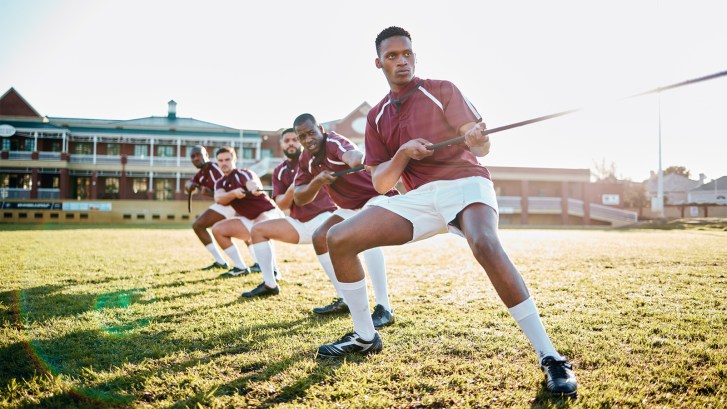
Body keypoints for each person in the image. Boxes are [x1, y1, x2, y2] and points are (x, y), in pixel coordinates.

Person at [316, 26, 577, 397]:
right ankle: (364, 336)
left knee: (484, 244)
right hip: (418, 197)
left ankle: (550, 357)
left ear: (415, 56)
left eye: (407, 53)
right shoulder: (375, 117)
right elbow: (379, 182)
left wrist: (478, 138)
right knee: (338, 238)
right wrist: (403, 152)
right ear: (379, 63)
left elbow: (480, 145)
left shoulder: (441, 90)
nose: (401, 60)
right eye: (392, 56)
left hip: (465, 181)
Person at [293, 113, 398, 328]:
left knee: (366, 236)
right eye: (302, 136)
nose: (308, 139)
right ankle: (344, 299)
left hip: (375, 196)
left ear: (320, 129)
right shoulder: (306, 159)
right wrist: (317, 181)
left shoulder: (332, 142)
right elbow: (299, 197)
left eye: (311, 133)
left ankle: (384, 308)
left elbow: (351, 155)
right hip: (350, 206)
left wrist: (362, 159)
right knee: (320, 237)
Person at [240, 128, 339, 298]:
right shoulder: (279, 170)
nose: (291, 143)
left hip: (324, 217)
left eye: (294, 139)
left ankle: (343, 297)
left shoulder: (315, 160)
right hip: (298, 223)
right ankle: (270, 284)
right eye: (287, 141)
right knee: (257, 230)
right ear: (281, 144)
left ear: (301, 141)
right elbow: (281, 205)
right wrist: (292, 190)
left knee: (335, 250)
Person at [185, 145, 262, 272]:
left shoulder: (217, 167)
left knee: (244, 231)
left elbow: (229, 186)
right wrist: (189, 185)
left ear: (207, 156)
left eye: (199, 154)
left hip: (234, 202)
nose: (196, 158)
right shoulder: (200, 175)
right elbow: (190, 186)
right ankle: (226, 262)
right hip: (225, 204)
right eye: (193, 156)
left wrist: (210, 193)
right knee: (199, 226)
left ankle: (249, 264)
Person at [210, 146, 284, 277]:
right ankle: (240, 267)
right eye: (220, 160)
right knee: (217, 229)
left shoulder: (243, 173)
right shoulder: (220, 183)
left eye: (227, 159)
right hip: (249, 219)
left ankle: (274, 271)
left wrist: (254, 188)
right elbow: (219, 198)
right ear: (217, 163)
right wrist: (233, 193)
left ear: (234, 159)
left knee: (259, 227)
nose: (224, 163)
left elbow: (253, 183)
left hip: (269, 213)